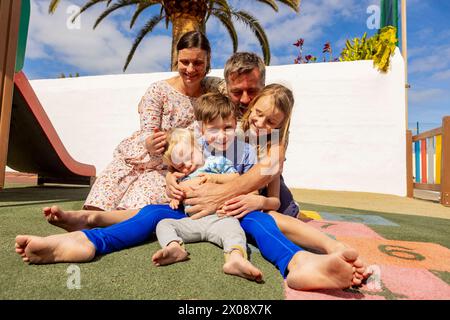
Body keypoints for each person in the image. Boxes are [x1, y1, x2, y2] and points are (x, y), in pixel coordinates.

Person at [16, 89, 368, 291]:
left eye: (270, 122)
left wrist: (255, 199)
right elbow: (177, 160)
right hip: (187, 211)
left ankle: (300, 263)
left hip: (233, 213)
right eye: (256, 115)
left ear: (280, 125)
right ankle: (84, 241)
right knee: (151, 214)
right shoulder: (207, 137)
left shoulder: (258, 149)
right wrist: (172, 178)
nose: (259, 124)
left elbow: (269, 196)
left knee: (261, 221)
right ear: (248, 109)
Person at [81, 30, 223, 212]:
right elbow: (147, 130)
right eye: (184, 62)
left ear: (207, 63)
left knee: (132, 211)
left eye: (198, 63)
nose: (190, 69)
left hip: (168, 169)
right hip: (137, 158)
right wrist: (149, 142)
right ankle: (82, 226)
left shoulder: (210, 98)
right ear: (176, 59)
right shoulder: (158, 90)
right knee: (97, 204)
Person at [151, 125, 262, 282]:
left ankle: (235, 259)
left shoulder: (215, 162)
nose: (187, 165)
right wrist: (176, 196)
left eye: (189, 157)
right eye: (180, 165)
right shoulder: (182, 175)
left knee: (234, 231)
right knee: (164, 224)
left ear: (198, 146)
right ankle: (174, 247)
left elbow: (236, 178)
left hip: (220, 218)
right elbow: (176, 191)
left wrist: (215, 178)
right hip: (194, 222)